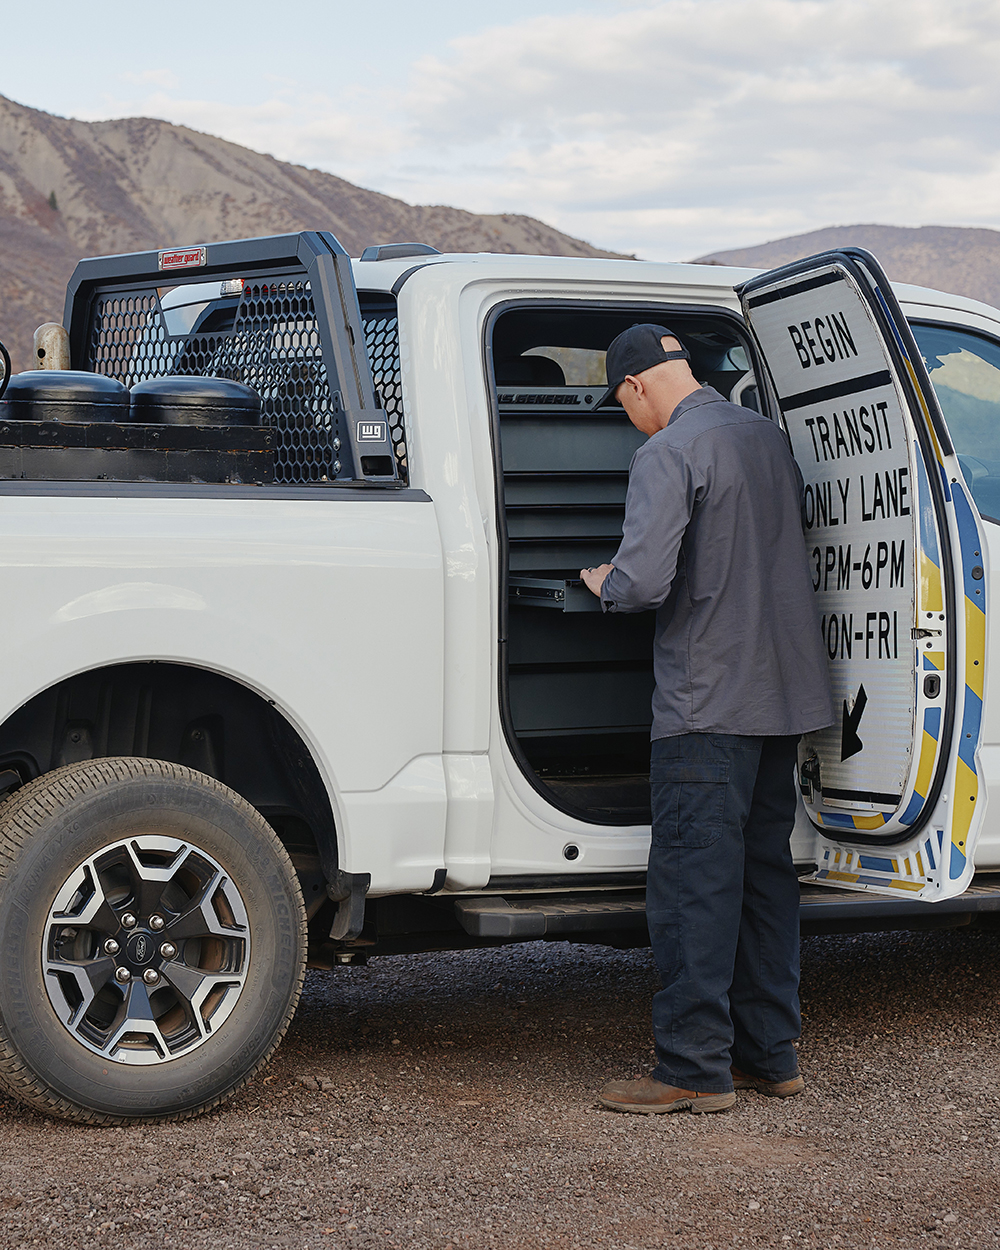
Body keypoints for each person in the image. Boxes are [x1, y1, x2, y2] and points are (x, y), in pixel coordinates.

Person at [580, 324, 834, 1115]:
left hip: (706, 704)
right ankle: (770, 1053)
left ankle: (692, 1069)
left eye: (622, 405)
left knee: (695, 885)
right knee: (764, 880)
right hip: (780, 698)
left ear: (635, 387)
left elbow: (644, 581)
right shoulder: (766, 438)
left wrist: (601, 581)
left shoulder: (668, 452)